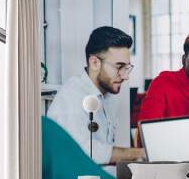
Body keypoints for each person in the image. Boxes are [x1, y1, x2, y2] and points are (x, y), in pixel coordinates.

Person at [48, 26, 144, 164]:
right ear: (94, 63)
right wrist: (140, 153)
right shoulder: (72, 97)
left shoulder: (108, 98)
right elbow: (87, 152)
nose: (125, 76)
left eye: (127, 68)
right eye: (119, 67)